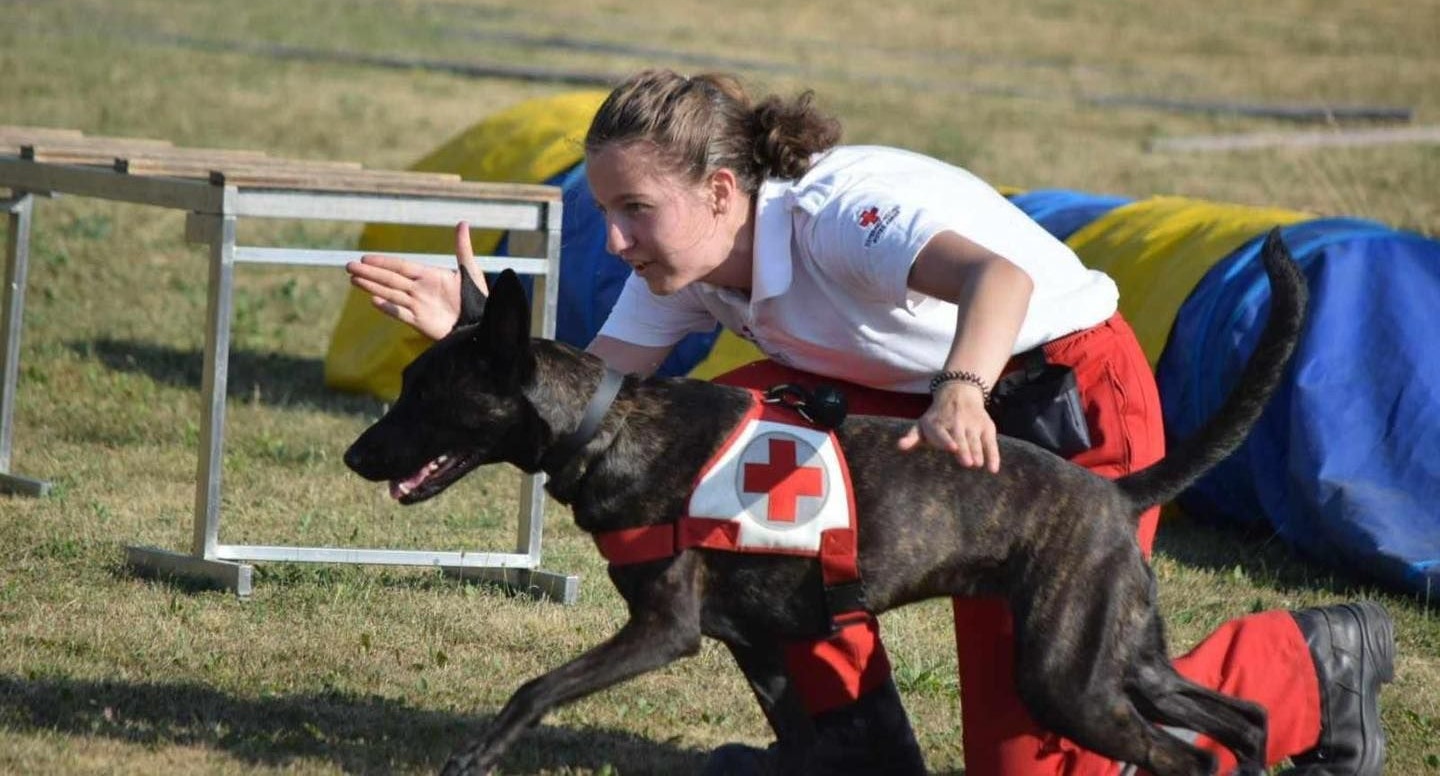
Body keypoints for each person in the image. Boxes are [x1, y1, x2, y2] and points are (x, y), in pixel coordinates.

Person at [346, 69, 1394, 775]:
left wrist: (963, 388)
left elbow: (1002, 276)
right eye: (602, 211)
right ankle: (848, 747)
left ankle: (1305, 667)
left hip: (1056, 394)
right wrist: (477, 334)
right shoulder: (685, 262)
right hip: (919, 401)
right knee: (699, 448)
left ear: (721, 189)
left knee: (1051, 745)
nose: (612, 239)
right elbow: (584, 403)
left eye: (632, 212)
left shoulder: (842, 211)